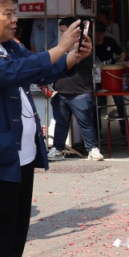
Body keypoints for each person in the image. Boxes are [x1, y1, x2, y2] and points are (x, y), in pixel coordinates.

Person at [0, 0, 91, 257]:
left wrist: (72, 56)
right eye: (8, 14)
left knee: (15, 230)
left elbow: (36, 70)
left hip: (20, 155)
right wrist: (58, 47)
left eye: (15, 13)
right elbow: (8, 75)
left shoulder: (9, 45)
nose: (15, 20)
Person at [47, 17, 104, 162]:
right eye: (61, 32)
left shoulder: (83, 45)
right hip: (61, 92)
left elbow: (69, 62)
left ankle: (92, 149)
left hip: (80, 92)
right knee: (61, 123)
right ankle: (57, 149)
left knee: (85, 122)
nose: (62, 35)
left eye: (63, 31)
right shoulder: (60, 47)